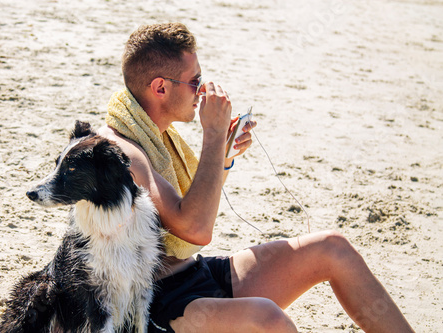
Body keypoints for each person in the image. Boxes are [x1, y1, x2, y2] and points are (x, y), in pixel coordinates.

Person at [98, 23, 414, 333]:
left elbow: (189, 213)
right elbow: (196, 228)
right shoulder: (122, 152)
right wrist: (214, 133)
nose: (204, 90)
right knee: (267, 318)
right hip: (155, 305)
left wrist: (221, 158)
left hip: (192, 274)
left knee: (333, 247)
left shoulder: (154, 135)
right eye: (195, 82)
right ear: (160, 88)